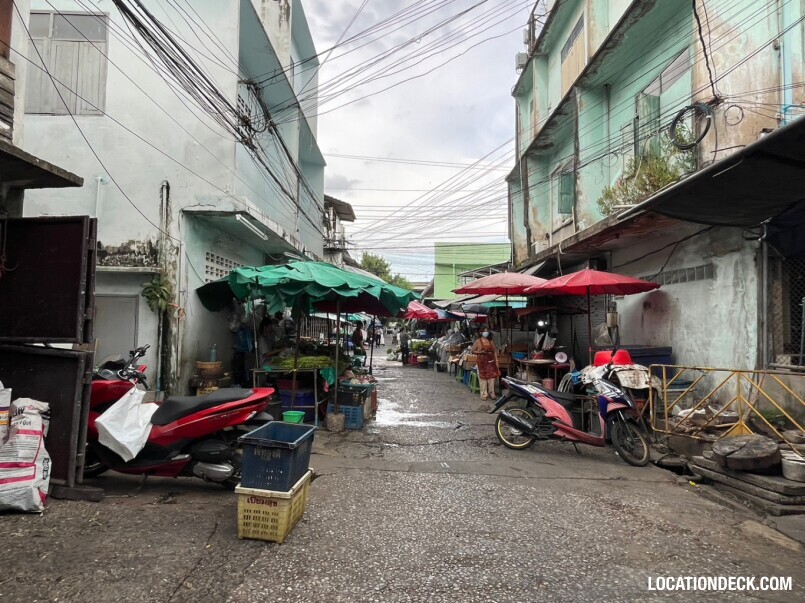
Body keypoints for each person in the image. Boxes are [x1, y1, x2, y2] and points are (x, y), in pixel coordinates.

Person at [472, 329, 500, 401]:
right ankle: (484, 394)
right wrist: (481, 352)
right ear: (481, 332)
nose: (485, 332)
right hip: (481, 362)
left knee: (492, 378)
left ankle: (492, 393)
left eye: (486, 331)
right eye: (484, 331)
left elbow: (495, 351)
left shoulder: (491, 341)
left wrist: (496, 360)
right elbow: (473, 351)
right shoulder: (477, 341)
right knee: (482, 378)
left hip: (491, 362)